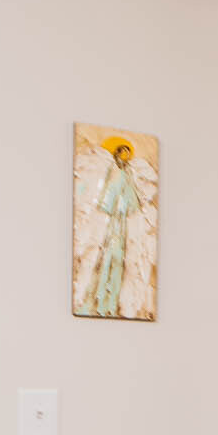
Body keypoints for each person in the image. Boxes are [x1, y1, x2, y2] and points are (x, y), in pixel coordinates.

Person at [83, 135, 141, 317]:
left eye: (127, 154)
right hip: (113, 217)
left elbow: (130, 192)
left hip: (121, 217)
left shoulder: (128, 172)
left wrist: (128, 205)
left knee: (118, 257)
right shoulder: (113, 171)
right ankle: (100, 299)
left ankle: (111, 301)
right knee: (108, 254)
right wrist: (114, 205)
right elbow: (109, 190)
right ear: (117, 154)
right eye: (122, 153)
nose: (124, 157)